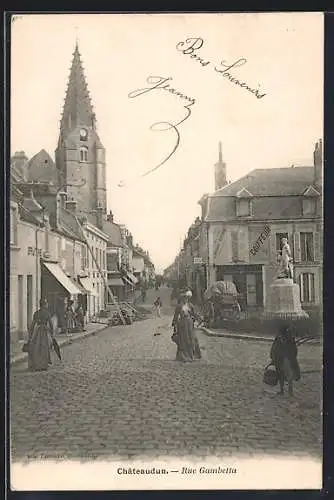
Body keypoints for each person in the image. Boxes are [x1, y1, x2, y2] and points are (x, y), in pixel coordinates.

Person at [172, 291, 202, 362]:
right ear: (181, 299)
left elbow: (195, 314)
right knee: (183, 340)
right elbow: (175, 317)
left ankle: (193, 355)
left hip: (189, 324)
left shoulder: (190, 305)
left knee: (192, 339)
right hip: (182, 325)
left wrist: (199, 318)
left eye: (186, 298)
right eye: (183, 298)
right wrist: (175, 327)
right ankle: (183, 356)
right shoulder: (179, 306)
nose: (185, 300)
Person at [270, 325, 300, 396]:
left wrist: (273, 358)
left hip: (282, 359)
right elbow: (295, 350)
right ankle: (289, 391)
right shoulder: (290, 338)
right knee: (288, 375)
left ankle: (282, 390)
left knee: (281, 375)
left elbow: (274, 349)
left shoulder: (278, 338)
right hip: (287, 359)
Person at [27, 298, 54, 372]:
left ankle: (37, 364)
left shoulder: (36, 313)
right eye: (46, 303)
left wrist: (30, 334)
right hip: (45, 331)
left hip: (37, 331)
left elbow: (32, 325)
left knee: (36, 347)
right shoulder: (47, 313)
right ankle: (44, 365)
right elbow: (51, 325)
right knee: (45, 347)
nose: (47, 305)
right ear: (44, 305)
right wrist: (52, 334)